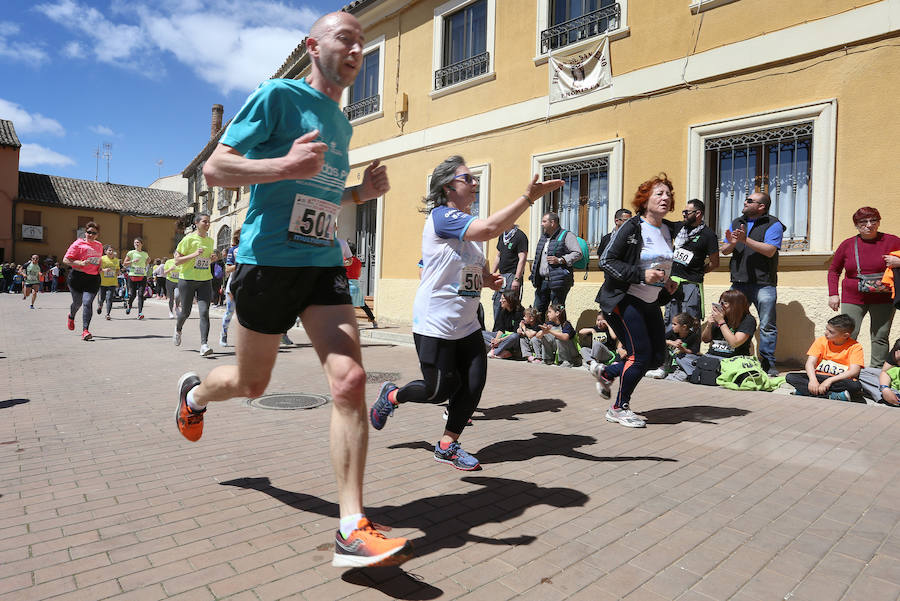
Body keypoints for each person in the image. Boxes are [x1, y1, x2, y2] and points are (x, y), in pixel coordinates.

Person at [171, 11, 412, 569]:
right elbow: (216, 169)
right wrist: (283, 166)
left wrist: (359, 193)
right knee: (252, 383)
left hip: (321, 262)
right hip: (267, 263)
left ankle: (351, 525)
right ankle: (195, 396)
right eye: (344, 39)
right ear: (313, 46)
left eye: (362, 44)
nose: (355, 50)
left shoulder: (343, 122)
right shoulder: (279, 96)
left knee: (350, 380)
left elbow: (320, 192)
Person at [369, 155, 563, 470]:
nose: (474, 184)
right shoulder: (442, 216)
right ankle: (392, 396)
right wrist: (529, 198)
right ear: (448, 187)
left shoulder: (468, 236)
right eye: (467, 179)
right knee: (437, 390)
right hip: (436, 322)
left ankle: (448, 444)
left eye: (475, 179)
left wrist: (488, 280)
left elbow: (473, 271)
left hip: (467, 323)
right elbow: (489, 229)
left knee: (473, 383)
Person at [594, 173, 677, 428]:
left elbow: (663, 262)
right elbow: (607, 261)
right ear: (645, 200)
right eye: (659, 193)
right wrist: (642, 275)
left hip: (650, 301)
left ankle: (607, 372)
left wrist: (666, 282)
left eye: (668, 194)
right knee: (639, 355)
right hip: (624, 299)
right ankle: (618, 408)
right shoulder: (632, 227)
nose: (665, 198)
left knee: (654, 358)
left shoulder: (669, 228)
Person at [826, 207, 900, 368]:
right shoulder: (848, 244)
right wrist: (833, 294)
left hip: (884, 297)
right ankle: (844, 368)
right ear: (856, 225)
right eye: (863, 221)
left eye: (873, 220)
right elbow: (834, 270)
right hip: (853, 296)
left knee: (880, 335)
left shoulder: (893, 241)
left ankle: (877, 372)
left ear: (879, 222)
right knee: (847, 333)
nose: (869, 225)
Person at [720, 191, 784, 376]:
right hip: (739, 282)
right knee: (732, 320)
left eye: (750, 201)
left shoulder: (773, 224)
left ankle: (767, 364)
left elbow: (770, 250)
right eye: (746, 199)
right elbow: (725, 250)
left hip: (764, 283)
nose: (745, 202)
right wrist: (732, 243)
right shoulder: (736, 221)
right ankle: (735, 356)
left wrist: (744, 240)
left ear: (761, 206)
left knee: (766, 325)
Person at [785, 314, 864, 402]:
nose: (826, 333)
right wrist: (813, 380)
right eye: (826, 329)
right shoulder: (821, 341)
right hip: (819, 377)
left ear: (845, 335)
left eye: (831, 332)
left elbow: (854, 371)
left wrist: (829, 380)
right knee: (790, 377)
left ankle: (806, 392)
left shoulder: (855, 346)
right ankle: (833, 396)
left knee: (855, 386)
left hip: (838, 380)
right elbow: (810, 363)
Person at [665, 198, 719, 324]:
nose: (684, 214)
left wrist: (699, 271)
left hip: (691, 284)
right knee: (670, 322)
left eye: (687, 212)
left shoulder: (708, 235)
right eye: (683, 212)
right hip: (673, 282)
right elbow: (660, 222)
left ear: (698, 214)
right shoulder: (679, 227)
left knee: (689, 322)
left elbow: (714, 263)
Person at [173, 213, 215, 356]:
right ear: (196, 223)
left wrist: (212, 259)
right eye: (205, 221)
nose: (207, 224)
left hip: (205, 280)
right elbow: (177, 261)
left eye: (209, 222)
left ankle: (204, 344)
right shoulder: (188, 239)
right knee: (186, 312)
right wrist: (194, 255)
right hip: (187, 280)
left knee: (204, 312)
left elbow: (206, 261)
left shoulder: (210, 241)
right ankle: (178, 328)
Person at [530, 211, 582, 315]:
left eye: (544, 221)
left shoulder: (567, 235)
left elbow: (578, 253)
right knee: (536, 312)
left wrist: (560, 260)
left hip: (559, 282)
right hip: (542, 282)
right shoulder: (543, 237)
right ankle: (537, 331)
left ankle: (561, 331)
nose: (542, 224)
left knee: (557, 312)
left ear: (552, 223)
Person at [62, 222, 103, 340]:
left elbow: (98, 260)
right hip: (77, 278)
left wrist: (99, 267)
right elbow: (66, 259)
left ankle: (85, 330)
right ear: (85, 233)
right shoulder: (78, 243)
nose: (90, 234)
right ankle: (71, 316)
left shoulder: (99, 245)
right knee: (77, 303)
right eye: (89, 232)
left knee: (87, 302)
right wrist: (80, 263)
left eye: (93, 233)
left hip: (93, 278)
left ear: (97, 235)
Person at [701, 289, 757, 360]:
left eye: (724, 303)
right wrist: (709, 325)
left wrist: (721, 322)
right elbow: (705, 340)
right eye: (720, 302)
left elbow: (734, 343)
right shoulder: (720, 317)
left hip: (734, 359)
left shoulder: (748, 320)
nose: (721, 306)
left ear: (736, 305)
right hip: (712, 357)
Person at [489, 223, 528, 325]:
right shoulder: (502, 236)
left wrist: (516, 279)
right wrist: (492, 273)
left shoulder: (520, 236)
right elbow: (498, 256)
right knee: (498, 303)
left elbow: (522, 259)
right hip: (502, 275)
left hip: (512, 275)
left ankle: (510, 331)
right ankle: (497, 330)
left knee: (510, 304)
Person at [345, 240, 377, 328]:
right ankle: (374, 321)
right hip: (356, 284)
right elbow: (358, 274)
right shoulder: (358, 261)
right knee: (363, 304)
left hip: (347, 285)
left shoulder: (345, 261)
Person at [536, 302, 580, 367]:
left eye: (549, 312)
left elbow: (565, 337)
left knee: (560, 336)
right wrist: (543, 332)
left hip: (572, 352)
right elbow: (537, 336)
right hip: (559, 350)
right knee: (544, 336)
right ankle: (548, 359)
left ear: (557, 313)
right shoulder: (550, 324)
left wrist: (550, 331)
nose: (547, 314)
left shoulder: (566, 324)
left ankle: (567, 361)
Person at [483, 291, 524, 359]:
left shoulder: (519, 312)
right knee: (481, 333)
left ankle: (495, 351)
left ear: (509, 300)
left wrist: (500, 340)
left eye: (502, 299)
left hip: (512, 340)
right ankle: (501, 350)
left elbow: (515, 333)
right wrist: (496, 340)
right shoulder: (503, 311)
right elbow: (501, 329)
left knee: (514, 336)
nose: (500, 300)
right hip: (503, 337)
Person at [219, 229, 240, 347]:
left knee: (246, 314)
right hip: (234, 285)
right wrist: (241, 264)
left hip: (247, 286)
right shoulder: (234, 250)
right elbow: (227, 269)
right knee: (229, 312)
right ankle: (223, 333)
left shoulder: (253, 249)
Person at [122, 238, 150, 319]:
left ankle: (140, 313)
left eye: (138, 242)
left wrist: (145, 264)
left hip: (142, 276)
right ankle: (129, 306)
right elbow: (124, 264)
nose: (136, 244)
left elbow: (148, 259)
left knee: (141, 295)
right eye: (135, 242)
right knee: (133, 295)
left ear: (141, 244)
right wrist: (132, 261)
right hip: (132, 276)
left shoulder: (145, 253)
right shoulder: (131, 253)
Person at [97, 245, 120, 320]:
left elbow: (117, 269)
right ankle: (100, 306)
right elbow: (97, 269)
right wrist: (104, 270)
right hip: (103, 282)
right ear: (105, 252)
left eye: (112, 250)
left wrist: (117, 273)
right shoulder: (102, 259)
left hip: (112, 282)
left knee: (109, 298)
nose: (111, 252)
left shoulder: (116, 260)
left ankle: (108, 314)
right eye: (109, 250)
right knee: (102, 298)